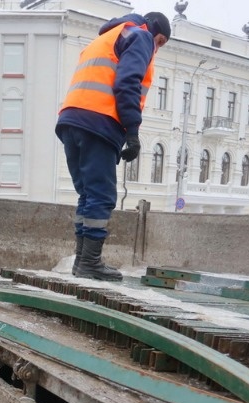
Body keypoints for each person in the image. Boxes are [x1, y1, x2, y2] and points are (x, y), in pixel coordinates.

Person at [56, 11, 171, 281]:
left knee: (87, 195)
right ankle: (89, 262)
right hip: (99, 121)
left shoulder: (105, 38)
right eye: (160, 41)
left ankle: (82, 261)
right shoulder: (141, 36)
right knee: (102, 196)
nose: (157, 49)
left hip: (71, 121)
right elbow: (128, 82)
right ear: (154, 30)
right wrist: (132, 131)